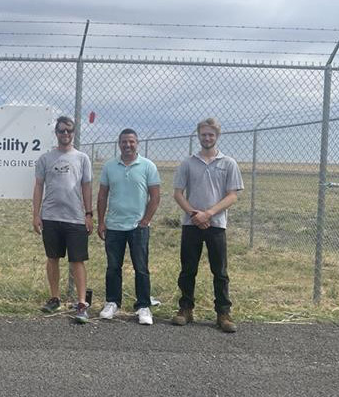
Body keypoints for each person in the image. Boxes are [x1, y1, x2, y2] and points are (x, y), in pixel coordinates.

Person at [171, 118, 244, 333]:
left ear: (217, 136)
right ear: (198, 135)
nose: (207, 138)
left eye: (211, 134)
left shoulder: (228, 163)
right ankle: (185, 309)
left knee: (219, 271)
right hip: (191, 223)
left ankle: (223, 313)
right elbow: (178, 193)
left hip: (216, 224)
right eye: (204, 134)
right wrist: (195, 214)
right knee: (188, 269)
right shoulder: (188, 163)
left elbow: (232, 196)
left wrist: (209, 214)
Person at [32, 116, 93, 323]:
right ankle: (55, 298)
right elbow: (39, 186)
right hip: (50, 217)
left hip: (75, 218)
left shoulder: (82, 158)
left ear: (73, 132)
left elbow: (86, 186)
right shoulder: (45, 159)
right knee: (53, 258)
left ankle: (82, 303)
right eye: (61, 131)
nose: (65, 134)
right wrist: (36, 214)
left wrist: (88, 214)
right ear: (56, 133)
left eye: (69, 130)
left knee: (77, 261)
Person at [97, 128, 160, 325]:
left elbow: (155, 196)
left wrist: (145, 220)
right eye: (124, 142)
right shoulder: (109, 167)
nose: (127, 145)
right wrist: (101, 221)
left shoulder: (148, 166)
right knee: (113, 267)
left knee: (141, 268)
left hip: (137, 227)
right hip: (114, 226)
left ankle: (143, 306)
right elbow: (102, 195)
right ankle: (112, 302)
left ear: (137, 143)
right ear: (119, 144)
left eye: (131, 141)